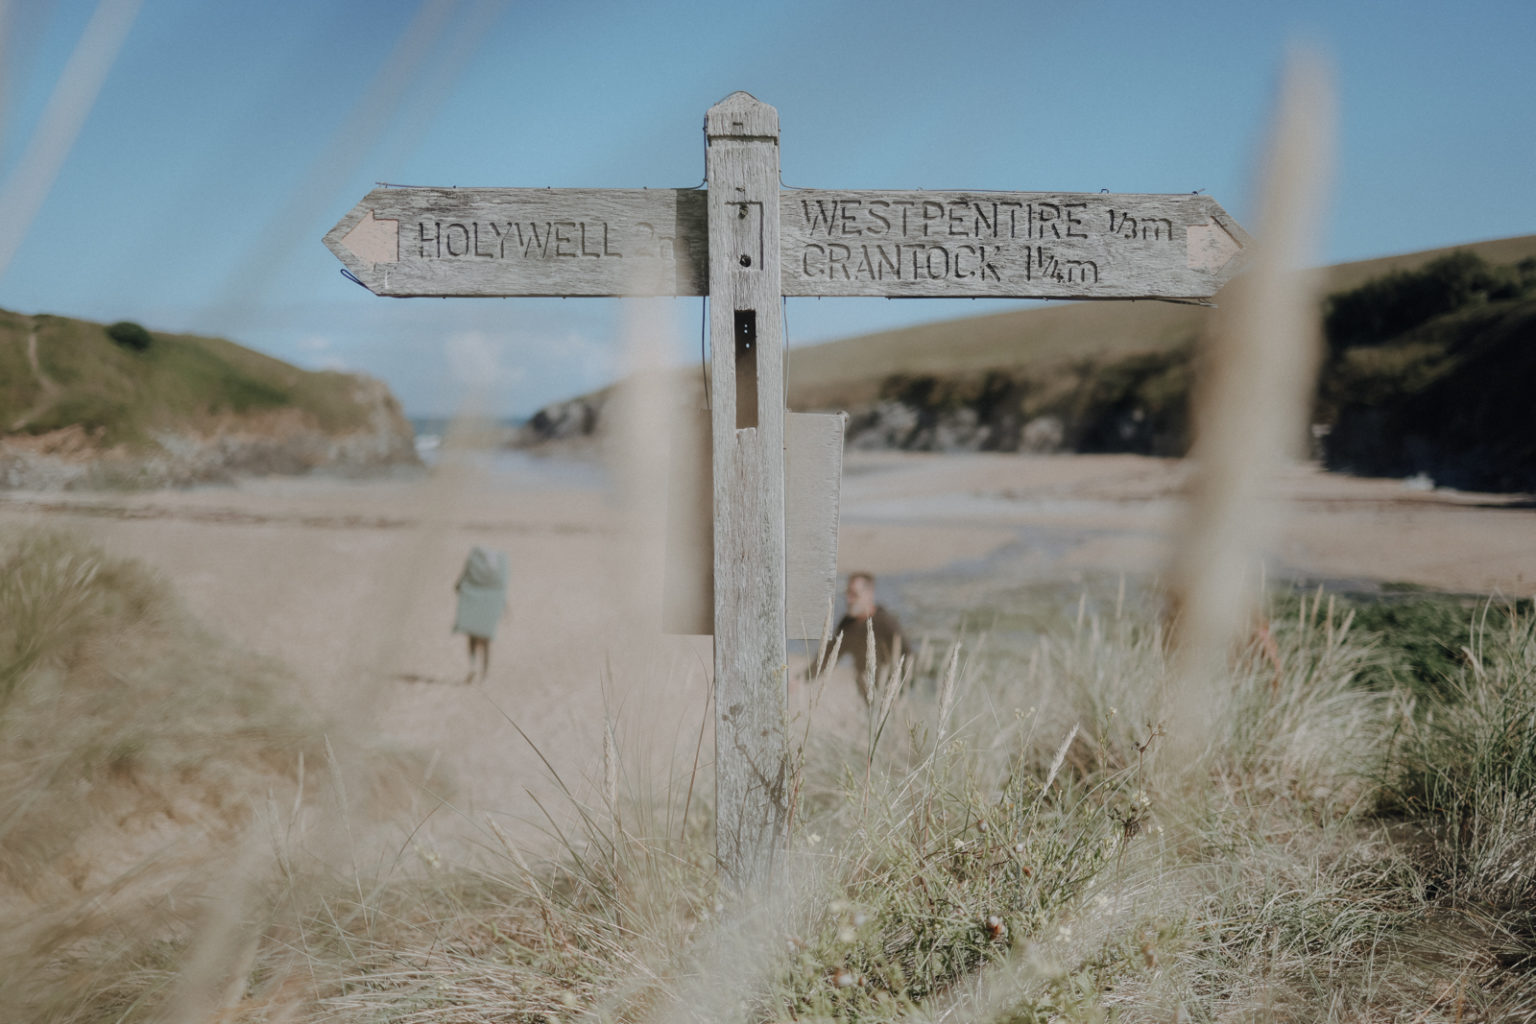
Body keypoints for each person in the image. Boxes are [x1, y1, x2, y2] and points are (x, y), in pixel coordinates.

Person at [833, 571, 906, 704]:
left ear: (869, 594)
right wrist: (801, 679)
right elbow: (829, 656)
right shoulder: (847, 624)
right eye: (847, 594)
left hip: (889, 697)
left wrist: (899, 692)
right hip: (864, 695)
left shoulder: (885, 622)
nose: (848, 600)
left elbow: (907, 657)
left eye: (854, 595)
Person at [453, 545, 509, 682]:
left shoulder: (473, 566)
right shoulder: (498, 569)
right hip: (489, 607)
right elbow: (501, 589)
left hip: (474, 604)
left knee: (472, 638)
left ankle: (473, 667)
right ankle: (484, 673)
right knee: (486, 642)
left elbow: (458, 586)